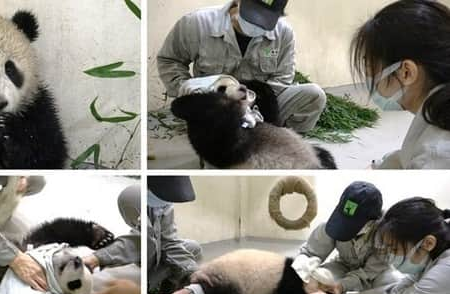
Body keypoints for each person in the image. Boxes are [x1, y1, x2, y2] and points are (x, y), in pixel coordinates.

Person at [157, 0, 326, 133]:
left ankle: (278, 135)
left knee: (314, 94)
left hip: (260, 102)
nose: (257, 25)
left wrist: (254, 108)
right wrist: (190, 94)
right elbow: (169, 60)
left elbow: (283, 78)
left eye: (265, 19)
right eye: (253, 16)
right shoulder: (196, 23)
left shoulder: (284, 33)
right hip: (214, 104)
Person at [308, 198, 450, 294]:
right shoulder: (435, 254)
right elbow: (400, 290)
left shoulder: (444, 273)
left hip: (372, 276)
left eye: (394, 249)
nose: (391, 254)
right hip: (344, 269)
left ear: (428, 243)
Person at [84, 177, 203, 294]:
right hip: (134, 290)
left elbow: (169, 241)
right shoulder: (119, 266)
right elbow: (136, 242)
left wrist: (193, 273)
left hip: (151, 271)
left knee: (192, 248)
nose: (164, 204)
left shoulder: (162, 204)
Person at [350, 0, 450, 169]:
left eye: (370, 67)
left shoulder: (435, 158)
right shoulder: (436, 114)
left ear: (406, 72)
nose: (369, 78)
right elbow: (406, 155)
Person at [297, 181, 400, 294]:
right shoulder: (332, 223)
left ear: (371, 221)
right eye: (343, 220)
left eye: (352, 224)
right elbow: (310, 253)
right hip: (344, 265)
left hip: (375, 272)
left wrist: (342, 286)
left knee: (392, 283)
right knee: (319, 278)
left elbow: (370, 271)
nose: (344, 226)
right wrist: (299, 274)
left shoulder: (386, 234)